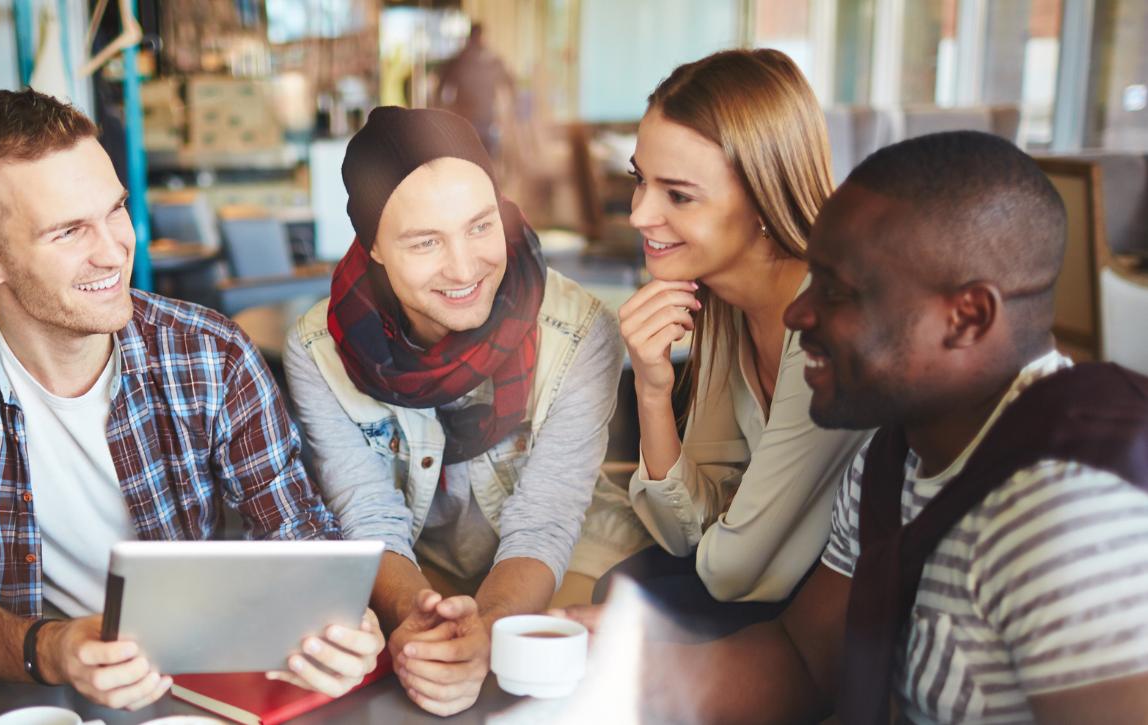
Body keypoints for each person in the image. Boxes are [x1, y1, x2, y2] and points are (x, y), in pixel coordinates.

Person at [564, 131, 1148, 723]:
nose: (798, 312)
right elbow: (805, 660)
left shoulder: (1071, 509)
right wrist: (625, 666)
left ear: (967, 318)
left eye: (840, 292)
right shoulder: (894, 457)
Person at [0, 89, 382, 712]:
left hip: (185, 689)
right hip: (17, 694)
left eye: (114, 210)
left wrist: (337, 622)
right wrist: (54, 649)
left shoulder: (209, 353)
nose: (113, 249)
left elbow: (297, 527)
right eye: (68, 231)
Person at [284, 105, 626, 716]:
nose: (466, 268)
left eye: (480, 226)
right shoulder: (317, 350)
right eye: (425, 242)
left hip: (556, 577)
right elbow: (367, 511)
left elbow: (545, 518)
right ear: (374, 248)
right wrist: (420, 618)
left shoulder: (581, 332)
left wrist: (489, 629)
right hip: (422, 579)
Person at [596, 49, 869, 637]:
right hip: (767, 586)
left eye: (679, 195)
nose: (640, 214)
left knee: (629, 603)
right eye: (639, 180)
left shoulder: (827, 327)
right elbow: (686, 530)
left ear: (764, 201)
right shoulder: (721, 300)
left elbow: (732, 570)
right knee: (626, 587)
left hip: (852, 611)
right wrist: (651, 386)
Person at [434, 24, 514, 157]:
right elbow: (510, 84)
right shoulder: (491, 61)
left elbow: (440, 88)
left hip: (470, 119)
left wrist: (442, 110)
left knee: (468, 158)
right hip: (481, 119)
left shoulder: (459, 60)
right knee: (485, 159)